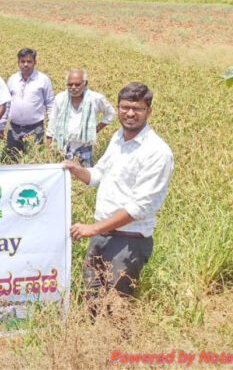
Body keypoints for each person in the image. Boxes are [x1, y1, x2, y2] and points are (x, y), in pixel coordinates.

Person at [63, 82, 174, 309]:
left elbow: (139, 208)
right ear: (118, 108)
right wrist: (75, 169)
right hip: (102, 237)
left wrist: (93, 228)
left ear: (149, 111)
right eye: (125, 107)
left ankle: (116, 345)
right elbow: (98, 175)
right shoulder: (118, 139)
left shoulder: (157, 152)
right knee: (91, 305)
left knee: (117, 310)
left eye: (138, 108)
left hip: (128, 243)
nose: (130, 113)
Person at [46, 69, 116, 167]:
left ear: (85, 83)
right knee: (65, 176)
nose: (73, 88)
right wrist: (49, 145)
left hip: (84, 145)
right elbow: (53, 121)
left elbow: (111, 114)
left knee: (84, 176)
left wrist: (97, 129)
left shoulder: (95, 98)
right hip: (63, 145)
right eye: (70, 85)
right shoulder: (60, 98)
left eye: (77, 84)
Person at [6, 48, 54, 160]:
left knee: (35, 160)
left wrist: (51, 130)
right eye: (22, 61)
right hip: (14, 129)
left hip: (36, 129)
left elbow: (50, 104)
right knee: (13, 159)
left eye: (29, 61)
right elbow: (6, 104)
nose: (26, 64)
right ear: (18, 63)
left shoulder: (43, 80)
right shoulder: (12, 79)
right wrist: (1, 126)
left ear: (35, 62)